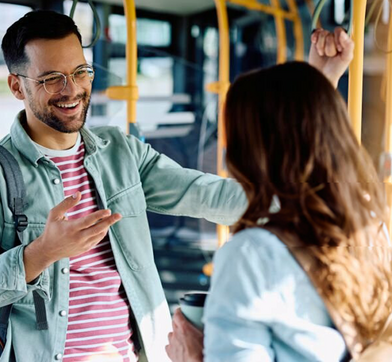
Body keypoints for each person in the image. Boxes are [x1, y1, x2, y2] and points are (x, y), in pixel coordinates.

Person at [0, 11, 349, 362]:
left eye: (80, 71)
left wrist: (316, 87)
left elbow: (214, 196)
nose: (71, 89)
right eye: (51, 78)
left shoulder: (120, 152)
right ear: (17, 87)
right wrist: (41, 253)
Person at [166, 31, 392, 361]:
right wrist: (317, 87)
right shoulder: (375, 229)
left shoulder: (251, 257)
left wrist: (192, 357)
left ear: (251, 151)